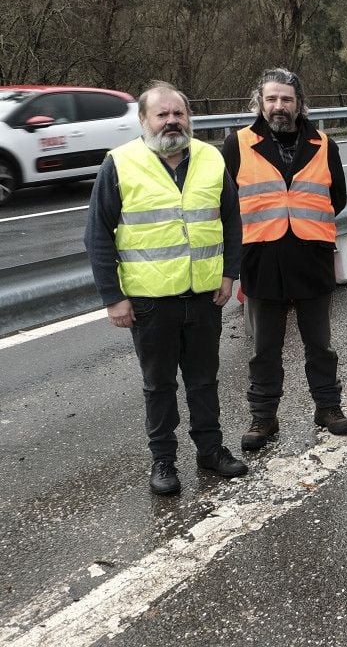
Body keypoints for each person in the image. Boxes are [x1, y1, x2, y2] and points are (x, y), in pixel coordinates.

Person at [85, 81, 247, 495]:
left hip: (205, 296)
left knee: (204, 380)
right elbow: (98, 235)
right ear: (144, 121)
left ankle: (210, 451)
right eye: (162, 114)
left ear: (188, 118)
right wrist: (113, 298)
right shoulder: (119, 164)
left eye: (179, 113)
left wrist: (229, 274)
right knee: (159, 385)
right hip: (150, 302)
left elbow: (231, 220)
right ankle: (163, 461)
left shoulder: (211, 158)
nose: (172, 121)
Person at [221, 68, 347, 450]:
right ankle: (263, 418)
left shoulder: (324, 144)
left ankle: (328, 407)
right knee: (264, 348)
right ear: (260, 102)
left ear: (299, 103)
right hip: (262, 258)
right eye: (272, 99)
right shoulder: (237, 144)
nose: (279, 106)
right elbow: (226, 204)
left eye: (287, 99)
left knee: (320, 345)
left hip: (311, 257)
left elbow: (337, 198)